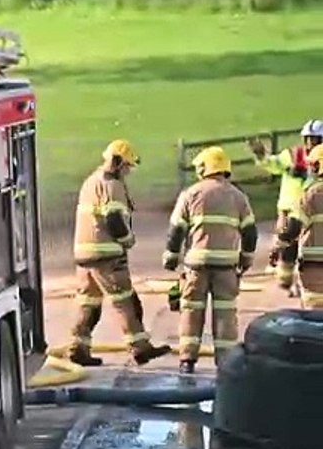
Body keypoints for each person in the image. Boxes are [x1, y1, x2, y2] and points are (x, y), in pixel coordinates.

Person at [66, 139, 171, 367]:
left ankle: (78, 348)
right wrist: (128, 239)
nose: (128, 172)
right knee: (126, 302)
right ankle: (140, 348)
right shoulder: (112, 186)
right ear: (118, 163)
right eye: (127, 167)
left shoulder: (90, 182)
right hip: (106, 256)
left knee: (88, 304)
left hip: (84, 255)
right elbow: (114, 219)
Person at [162, 146, 257, 374]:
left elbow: (176, 230)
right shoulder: (238, 196)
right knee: (225, 314)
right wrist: (246, 260)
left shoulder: (191, 194)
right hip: (226, 267)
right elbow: (250, 232)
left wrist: (171, 257)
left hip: (196, 265)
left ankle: (187, 360)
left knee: (191, 312)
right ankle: (226, 363)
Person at [249, 119, 323, 275]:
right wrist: (261, 155)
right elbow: (273, 164)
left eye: (315, 139)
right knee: (284, 241)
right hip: (288, 209)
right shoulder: (292, 155)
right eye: (308, 138)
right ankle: (284, 274)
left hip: (314, 209)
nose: (311, 143)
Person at [275, 144, 323, 309]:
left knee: (315, 313)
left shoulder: (311, 195)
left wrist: (281, 242)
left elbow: (293, 228)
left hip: (315, 266)